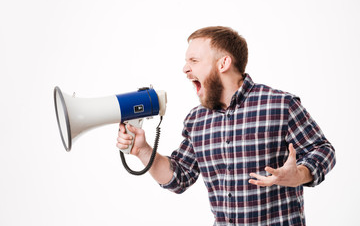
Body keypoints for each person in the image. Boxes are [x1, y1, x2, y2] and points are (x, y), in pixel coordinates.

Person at [116, 26, 336, 225]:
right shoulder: (197, 120)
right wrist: (143, 151)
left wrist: (300, 174)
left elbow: (323, 150)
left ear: (223, 63)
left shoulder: (280, 105)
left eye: (194, 60)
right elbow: (179, 178)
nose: (185, 68)